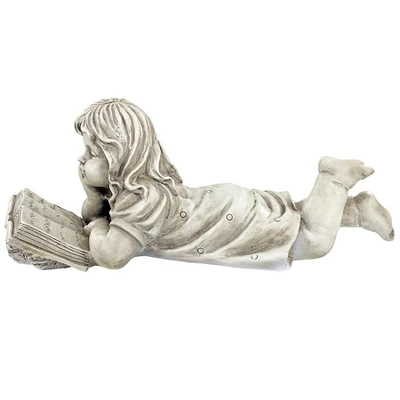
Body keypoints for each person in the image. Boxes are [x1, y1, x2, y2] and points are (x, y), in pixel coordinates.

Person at [75, 99, 394, 270]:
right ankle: (356, 210)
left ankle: (333, 179)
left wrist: (98, 228)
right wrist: (93, 195)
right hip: (222, 207)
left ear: (119, 155)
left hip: (227, 221)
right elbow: (93, 215)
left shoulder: (142, 200)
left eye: (93, 152)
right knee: (295, 217)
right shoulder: (141, 187)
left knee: (312, 241)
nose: (82, 158)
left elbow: (112, 256)